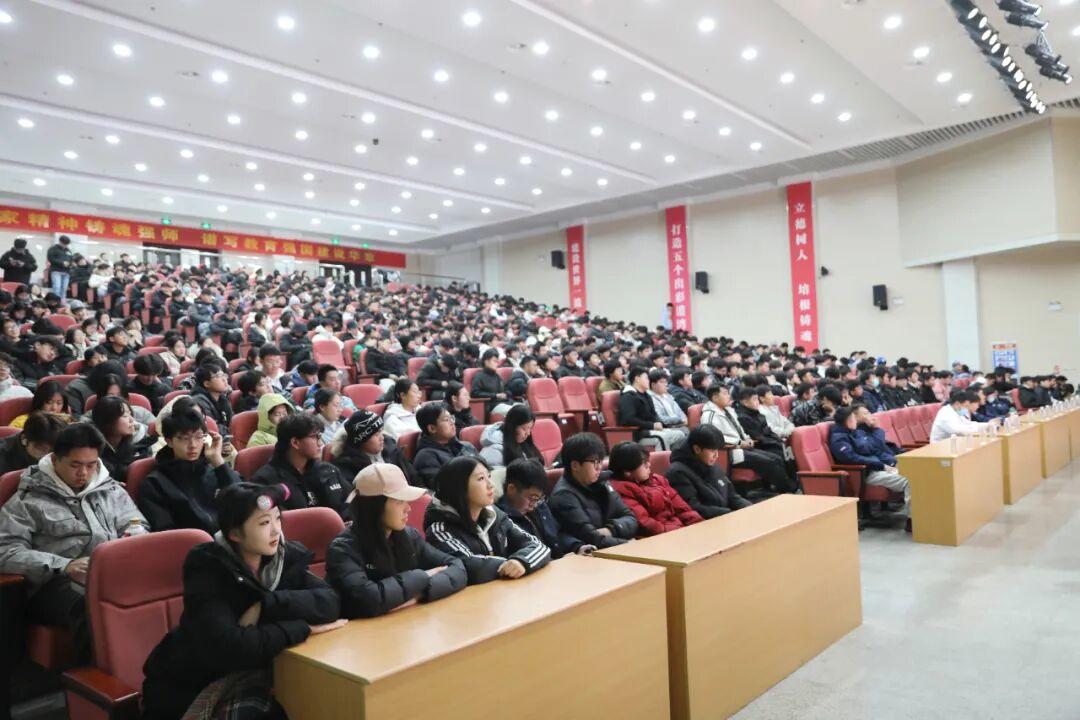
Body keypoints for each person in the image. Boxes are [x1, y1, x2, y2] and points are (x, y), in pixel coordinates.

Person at [140, 483, 344, 720]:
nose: (276, 531)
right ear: (235, 534)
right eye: (264, 523)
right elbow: (229, 646)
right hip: (192, 683)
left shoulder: (282, 557)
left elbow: (330, 602)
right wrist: (302, 628)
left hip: (256, 673)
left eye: (278, 519)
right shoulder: (207, 567)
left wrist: (268, 604)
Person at [0, 424, 147, 663]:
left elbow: (136, 524)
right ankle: (103, 675)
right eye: (75, 465)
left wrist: (133, 541)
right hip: (54, 583)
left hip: (110, 573)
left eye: (91, 465)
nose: (84, 473)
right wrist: (64, 565)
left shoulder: (110, 490)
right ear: (55, 460)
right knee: (94, 607)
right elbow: (6, 551)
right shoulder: (28, 499)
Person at [326, 463, 473, 618]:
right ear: (374, 507)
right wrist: (422, 576)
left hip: (406, 622)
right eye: (399, 501)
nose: (408, 508)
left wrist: (421, 593)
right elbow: (369, 600)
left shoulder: (409, 535)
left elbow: (457, 567)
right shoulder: (343, 549)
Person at [424, 456, 551, 579]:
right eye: (481, 479)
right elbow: (467, 565)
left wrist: (522, 561)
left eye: (489, 477)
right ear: (459, 487)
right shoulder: (439, 529)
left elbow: (539, 546)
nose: (490, 485)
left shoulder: (495, 515)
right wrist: (511, 565)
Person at [139, 405, 241, 533]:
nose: (193, 445)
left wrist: (218, 461)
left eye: (198, 437)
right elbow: (166, 531)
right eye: (184, 438)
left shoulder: (215, 469)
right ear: (169, 441)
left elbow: (243, 501)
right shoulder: (155, 483)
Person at [251, 413, 350, 518]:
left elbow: (350, 504)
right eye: (315, 437)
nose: (320, 443)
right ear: (295, 443)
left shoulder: (328, 470)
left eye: (320, 436)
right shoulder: (266, 480)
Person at [548, 433, 638, 548]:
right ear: (575, 465)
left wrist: (610, 529)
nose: (599, 467)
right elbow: (591, 538)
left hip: (613, 547)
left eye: (600, 461)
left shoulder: (602, 482)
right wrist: (628, 545)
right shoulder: (563, 496)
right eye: (594, 462)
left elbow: (631, 519)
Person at [701, 385, 796, 493]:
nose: (728, 396)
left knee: (776, 457)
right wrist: (739, 442)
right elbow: (711, 436)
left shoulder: (728, 410)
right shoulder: (709, 414)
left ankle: (786, 488)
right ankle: (788, 490)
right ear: (715, 397)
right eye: (725, 393)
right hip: (730, 452)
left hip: (743, 447)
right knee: (770, 461)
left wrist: (747, 439)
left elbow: (740, 431)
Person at [496, 459, 595, 559]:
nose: (534, 505)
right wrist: (558, 561)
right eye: (532, 498)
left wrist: (576, 547)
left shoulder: (540, 506)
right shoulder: (501, 520)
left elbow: (556, 535)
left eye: (538, 499)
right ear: (512, 489)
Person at [829, 405, 910, 517]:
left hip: (878, 467)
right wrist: (881, 465)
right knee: (910, 481)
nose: (856, 422)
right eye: (854, 419)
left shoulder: (856, 433)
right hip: (867, 473)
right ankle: (912, 519)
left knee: (916, 475)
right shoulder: (839, 439)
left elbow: (872, 447)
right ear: (848, 421)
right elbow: (851, 458)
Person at [607, 442, 702, 536]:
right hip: (658, 537)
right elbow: (645, 523)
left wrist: (698, 524)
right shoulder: (621, 490)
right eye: (644, 464)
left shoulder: (657, 479)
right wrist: (678, 531)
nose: (649, 465)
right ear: (627, 472)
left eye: (647, 461)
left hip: (676, 530)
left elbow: (682, 507)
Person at [665, 425, 751, 518]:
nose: (716, 455)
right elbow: (694, 509)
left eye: (717, 450)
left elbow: (732, 496)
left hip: (724, 517)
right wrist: (731, 515)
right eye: (712, 450)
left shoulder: (711, 464)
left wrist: (750, 508)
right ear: (697, 449)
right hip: (705, 523)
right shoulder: (677, 473)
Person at [329, 409, 416, 485]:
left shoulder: (392, 450)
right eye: (376, 434)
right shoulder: (347, 465)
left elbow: (414, 478)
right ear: (361, 440)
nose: (382, 438)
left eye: (381, 431)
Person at [412, 403, 479, 489]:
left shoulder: (466, 445)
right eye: (446, 420)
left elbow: (486, 470)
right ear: (432, 428)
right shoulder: (426, 457)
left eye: (452, 418)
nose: (452, 423)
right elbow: (443, 487)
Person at [618, 366, 686, 450]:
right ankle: (662, 458)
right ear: (637, 379)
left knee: (680, 434)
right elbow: (628, 419)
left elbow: (653, 414)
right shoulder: (628, 395)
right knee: (662, 437)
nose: (648, 381)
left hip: (650, 429)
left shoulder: (647, 395)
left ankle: (672, 456)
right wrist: (652, 425)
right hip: (638, 433)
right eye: (646, 378)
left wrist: (658, 422)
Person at [91, 395, 152, 483]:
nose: (132, 419)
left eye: (130, 414)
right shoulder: (93, 450)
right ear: (107, 421)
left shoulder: (135, 444)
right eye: (125, 416)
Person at [479, 403, 543, 469]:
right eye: (524, 428)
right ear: (512, 427)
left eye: (530, 428)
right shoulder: (493, 449)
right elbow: (493, 473)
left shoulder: (523, 443)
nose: (528, 433)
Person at [0, 412, 67, 475]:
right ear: (24, 439)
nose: (47, 456)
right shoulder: (3, 457)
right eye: (41, 449)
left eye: (52, 451)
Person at [929, 389, 994, 442]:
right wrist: (981, 429)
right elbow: (959, 431)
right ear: (957, 404)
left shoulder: (958, 411)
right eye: (965, 406)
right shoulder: (945, 413)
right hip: (940, 447)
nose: (966, 409)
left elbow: (968, 424)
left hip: (954, 443)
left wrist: (987, 425)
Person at [470, 348, 514, 418]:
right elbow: (475, 393)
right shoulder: (479, 376)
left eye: (497, 361)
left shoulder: (497, 376)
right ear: (486, 362)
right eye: (494, 361)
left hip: (505, 403)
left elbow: (506, 389)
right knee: (516, 412)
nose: (497, 364)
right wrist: (495, 395)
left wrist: (506, 393)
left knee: (523, 409)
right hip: (491, 405)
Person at [648, 369, 690, 440]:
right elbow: (661, 419)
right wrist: (680, 420)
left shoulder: (669, 397)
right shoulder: (650, 399)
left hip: (679, 426)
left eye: (666, 382)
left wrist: (683, 420)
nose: (666, 384)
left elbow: (680, 413)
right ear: (653, 385)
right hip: (666, 428)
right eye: (662, 382)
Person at [191, 363, 233, 429]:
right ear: (207, 384)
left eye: (223, 375)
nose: (224, 379)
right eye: (218, 376)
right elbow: (212, 428)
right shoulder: (199, 401)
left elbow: (230, 422)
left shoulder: (222, 398)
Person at [47, 235, 73, 299]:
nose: (65, 245)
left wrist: (70, 264)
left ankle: (62, 302)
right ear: (60, 242)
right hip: (56, 271)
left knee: (64, 289)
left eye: (66, 244)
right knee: (57, 287)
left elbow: (71, 259)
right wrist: (62, 263)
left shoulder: (68, 250)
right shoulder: (53, 249)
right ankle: (56, 302)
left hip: (66, 272)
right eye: (64, 244)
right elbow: (51, 259)